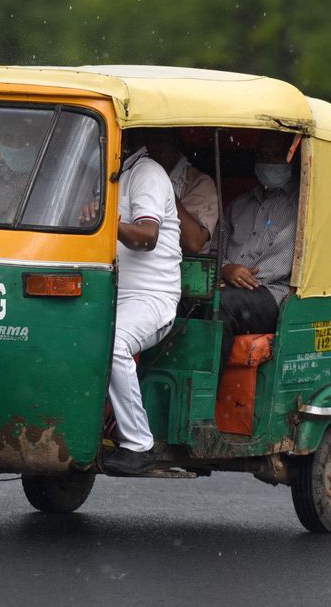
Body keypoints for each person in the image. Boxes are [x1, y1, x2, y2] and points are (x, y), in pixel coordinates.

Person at [102, 138, 182, 476]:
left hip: (151, 296)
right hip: (107, 292)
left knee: (114, 344)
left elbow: (146, 237)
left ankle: (138, 445)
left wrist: (107, 222)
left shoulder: (146, 173)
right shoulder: (106, 175)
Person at [218, 131, 300, 359]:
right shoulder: (239, 205)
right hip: (226, 285)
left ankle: (208, 389)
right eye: (263, 156)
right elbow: (214, 251)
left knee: (221, 305)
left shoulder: (303, 207)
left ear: (289, 159)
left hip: (273, 294)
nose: (268, 162)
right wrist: (226, 268)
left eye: (275, 156)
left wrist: (243, 278)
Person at [140, 129, 218, 254]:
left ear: (176, 144)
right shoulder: (133, 175)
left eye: (160, 142)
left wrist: (161, 182)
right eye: (148, 142)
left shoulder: (200, 183)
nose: (153, 149)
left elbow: (193, 243)